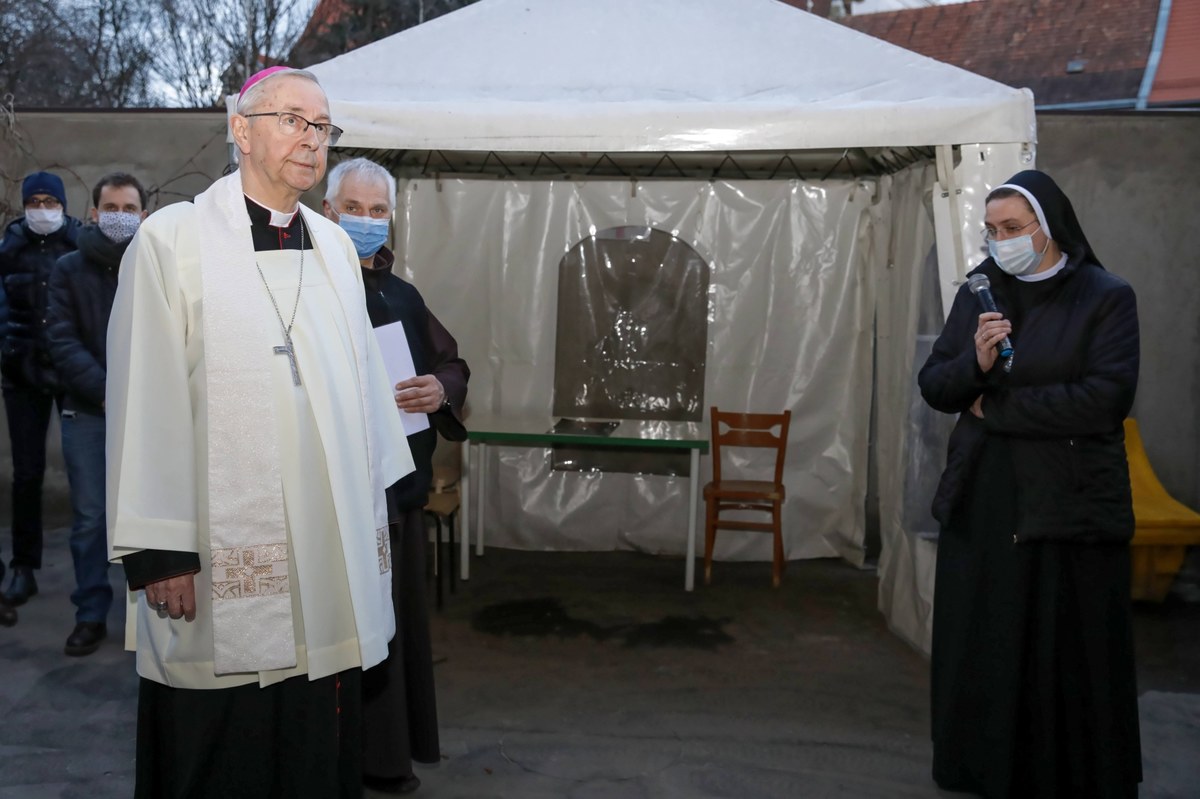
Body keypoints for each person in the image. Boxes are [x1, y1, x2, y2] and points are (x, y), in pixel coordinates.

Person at [105, 66, 414, 798]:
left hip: (322, 543)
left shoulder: (338, 251)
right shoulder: (170, 241)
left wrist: (379, 510)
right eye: (292, 120)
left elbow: (366, 393)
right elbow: (142, 390)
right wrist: (159, 549)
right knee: (222, 738)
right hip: (215, 549)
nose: (311, 140)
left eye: (322, 128)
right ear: (240, 130)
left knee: (313, 725)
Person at [918, 170, 1142, 798]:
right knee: (984, 637)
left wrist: (997, 410)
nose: (1001, 241)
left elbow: (1104, 401)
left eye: (1013, 229)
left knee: (1061, 643)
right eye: (992, 230)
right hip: (985, 496)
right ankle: (982, 766)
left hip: (1067, 500)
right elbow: (937, 386)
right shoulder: (980, 291)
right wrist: (977, 363)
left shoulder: (1105, 296)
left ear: (1049, 229)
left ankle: (1064, 773)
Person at [322, 157, 469, 795]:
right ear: (326, 213)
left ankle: (384, 758)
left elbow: (453, 362)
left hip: (399, 495)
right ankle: (329, 760)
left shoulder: (402, 294)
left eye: (377, 211)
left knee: (390, 631)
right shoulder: (307, 286)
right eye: (353, 209)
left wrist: (440, 388)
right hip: (333, 500)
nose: (365, 222)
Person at [46, 172, 149, 656]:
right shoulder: (68, 268)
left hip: (147, 415)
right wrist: (108, 391)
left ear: (144, 216)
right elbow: (61, 340)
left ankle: (148, 617)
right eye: (112, 207)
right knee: (89, 519)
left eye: (130, 208)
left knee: (146, 516)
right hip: (88, 412)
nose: (120, 216)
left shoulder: (155, 264)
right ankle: (90, 612)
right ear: (93, 213)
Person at [0, 171, 81, 607]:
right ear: (25, 205)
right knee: (27, 475)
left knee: (89, 475)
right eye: (36, 201)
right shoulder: (9, 248)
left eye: (51, 200)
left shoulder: (81, 245)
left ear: (63, 205)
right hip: (22, 374)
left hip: (72, 375)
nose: (43, 208)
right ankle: (23, 566)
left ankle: (99, 574)